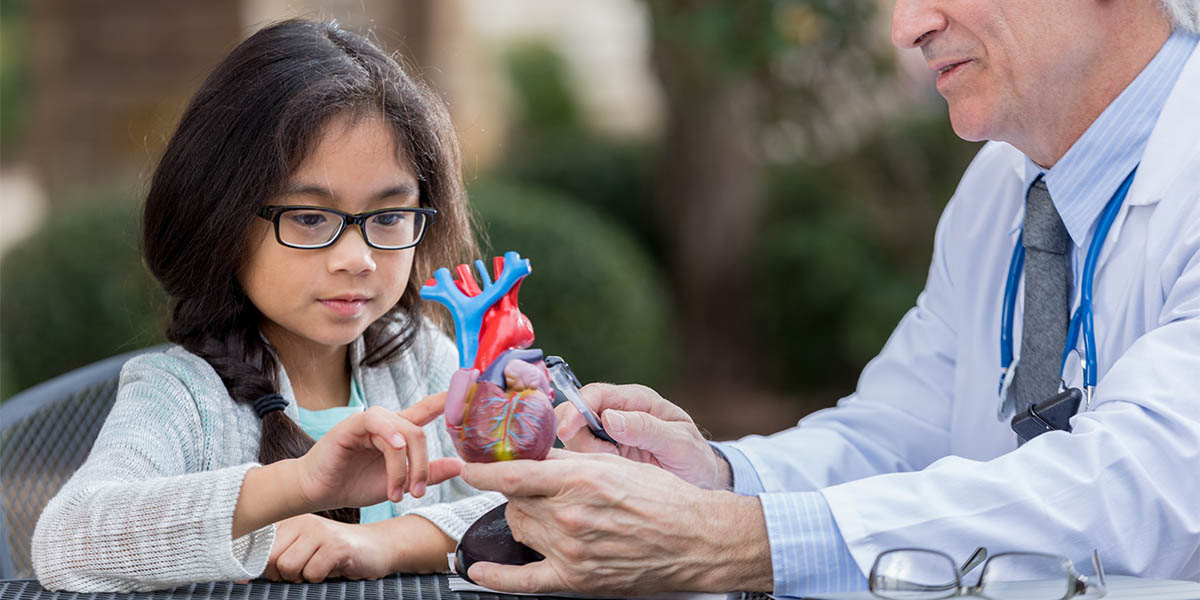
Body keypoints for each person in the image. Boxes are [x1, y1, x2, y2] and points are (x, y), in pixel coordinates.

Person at [457, 0, 1200, 596]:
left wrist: (732, 541)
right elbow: (895, 434)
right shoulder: (999, 189)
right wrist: (715, 483)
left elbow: (1141, 492)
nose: (908, 26)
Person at [31, 19, 502, 592]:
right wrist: (298, 484)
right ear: (220, 218)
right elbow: (68, 541)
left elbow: (527, 505)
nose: (356, 258)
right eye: (308, 217)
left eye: (387, 216)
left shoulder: (419, 357)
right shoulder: (183, 394)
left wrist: (381, 544)